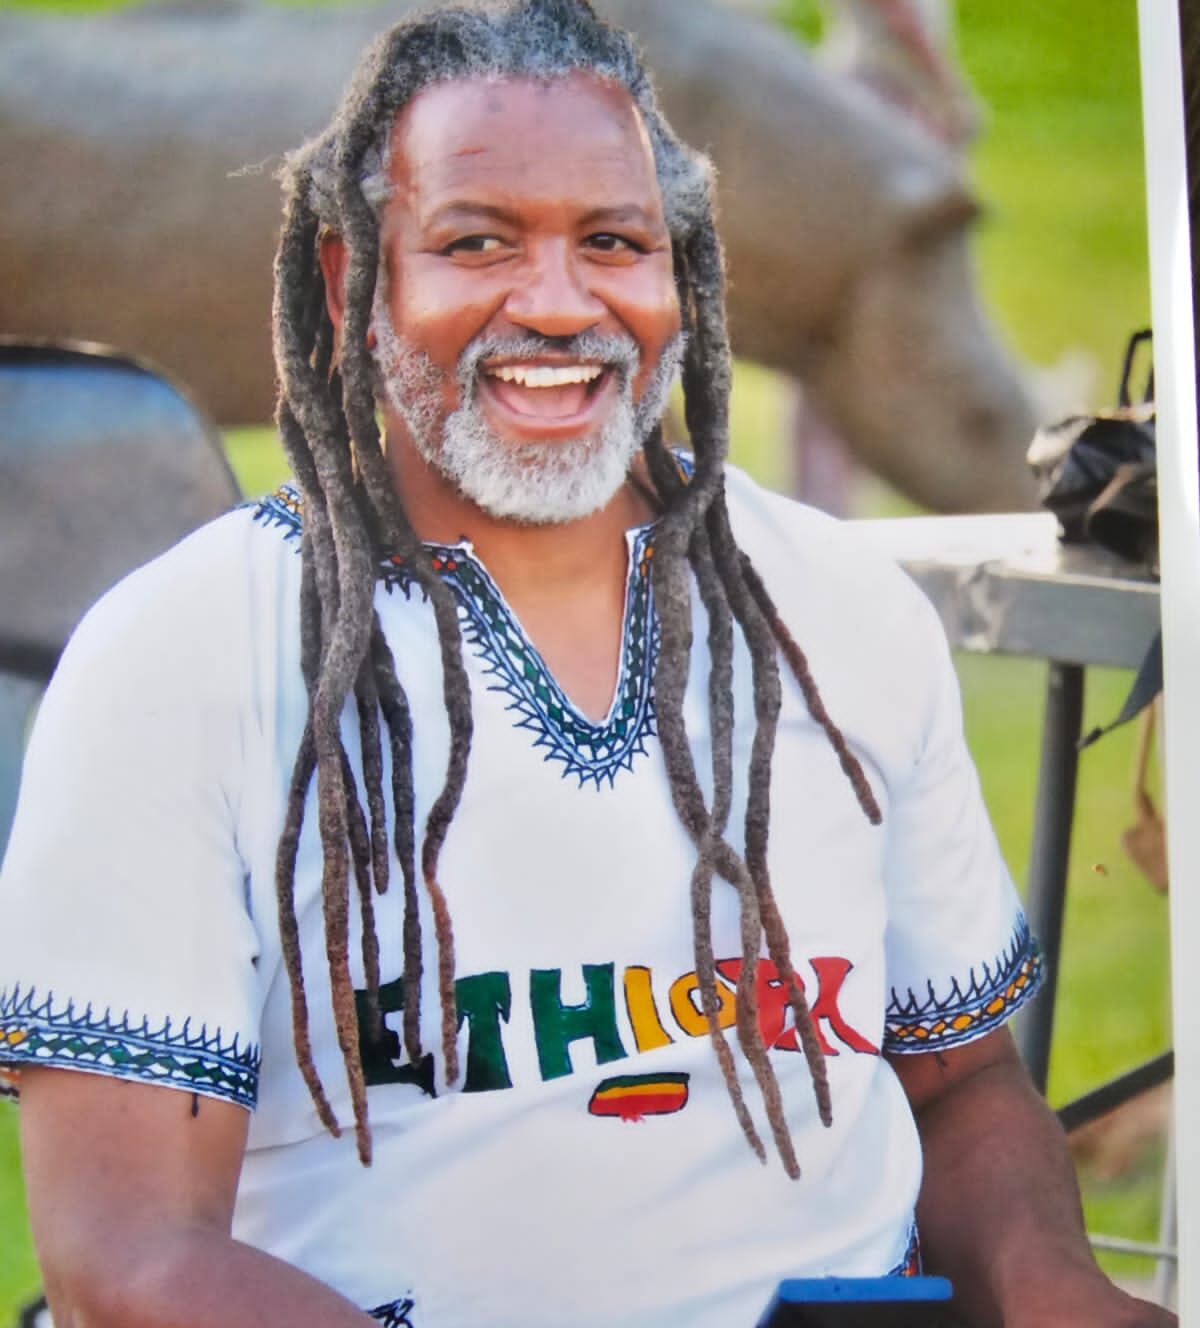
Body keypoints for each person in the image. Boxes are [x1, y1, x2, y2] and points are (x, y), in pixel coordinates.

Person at [0, 3, 1173, 1325]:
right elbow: (127, 1259)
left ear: (681, 276)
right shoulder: (180, 658)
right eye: (477, 243)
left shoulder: (842, 610)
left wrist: (1053, 1288)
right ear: (350, 281)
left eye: (613, 242)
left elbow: (959, 1083)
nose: (559, 305)